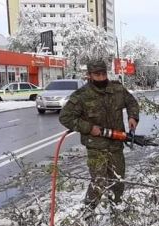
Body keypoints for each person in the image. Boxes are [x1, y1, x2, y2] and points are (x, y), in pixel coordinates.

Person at [59, 59, 140, 210]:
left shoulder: (117, 89)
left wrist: (132, 117)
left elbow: (132, 103)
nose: (101, 78)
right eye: (97, 75)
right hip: (96, 147)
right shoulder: (81, 96)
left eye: (103, 74)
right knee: (99, 181)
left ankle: (116, 209)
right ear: (89, 75)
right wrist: (89, 128)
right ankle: (88, 211)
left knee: (118, 180)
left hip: (116, 144)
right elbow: (65, 117)